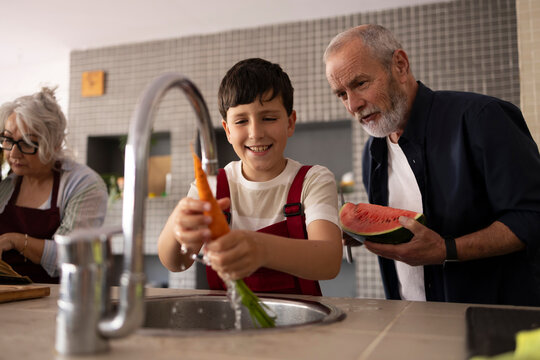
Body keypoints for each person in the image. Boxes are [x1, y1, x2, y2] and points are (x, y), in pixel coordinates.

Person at [324, 24, 540, 306]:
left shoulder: (482, 119)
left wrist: (446, 250)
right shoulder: (373, 152)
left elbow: (532, 216)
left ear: (400, 65)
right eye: (341, 94)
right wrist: (359, 232)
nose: (352, 105)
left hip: (497, 328)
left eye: (361, 84)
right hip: (413, 324)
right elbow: (404, 232)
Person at [159, 58, 342, 295]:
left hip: (301, 324)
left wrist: (260, 249)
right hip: (229, 325)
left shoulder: (313, 180)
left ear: (290, 122)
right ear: (227, 130)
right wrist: (177, 221)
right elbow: (176, 263)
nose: (255, 133)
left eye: (269, 118)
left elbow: (328, 261)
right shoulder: (211, 186)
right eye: (241, 121)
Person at [0, 87, 108, 283]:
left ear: (55, 143)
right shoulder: (6, 182)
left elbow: (72, 255)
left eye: (27, 143)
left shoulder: (84, 184)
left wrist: (15, 241)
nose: (13, 154)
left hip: (54, 300)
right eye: (8, 140)